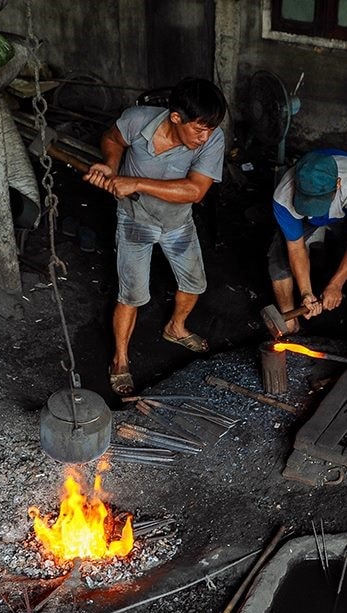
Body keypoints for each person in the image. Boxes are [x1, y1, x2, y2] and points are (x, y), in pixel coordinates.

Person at [85, 78, 227, 396]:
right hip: (135, 221)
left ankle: (175, 329)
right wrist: (110, 166)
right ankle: (120, 361)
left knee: (194, 285)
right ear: (176, 118)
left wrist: (135, 183)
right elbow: (112, 138)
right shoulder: (137, 119)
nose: (205, 137)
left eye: (210, 129)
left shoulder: (212, 138)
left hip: (177, 224)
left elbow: (195, 190)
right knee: (131, 295)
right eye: (199, 129)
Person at [268, 149, 347, 333]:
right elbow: (295, 248)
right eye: (306, 202)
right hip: (306, 219)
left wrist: (336, 285)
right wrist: (306, 293)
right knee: (278, 258)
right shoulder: (283, 197)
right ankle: (288, 321)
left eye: (317, 202)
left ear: (338, 184)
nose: (312, 208)